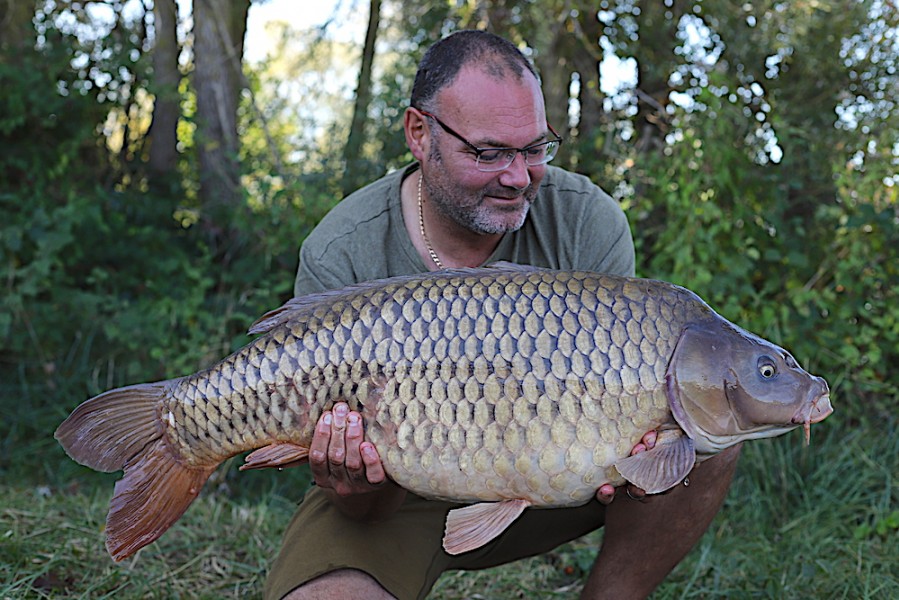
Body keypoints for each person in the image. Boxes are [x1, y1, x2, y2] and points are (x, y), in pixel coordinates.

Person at [264, 30, 741, 600]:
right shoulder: (342, 250)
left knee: (710, 421)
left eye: (535, 149)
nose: (519, 177)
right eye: (489, 153)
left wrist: (639, 457)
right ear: (420, 134)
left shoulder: (586, 222)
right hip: (392, 496)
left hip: (556, 477)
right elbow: (355, 497)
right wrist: (351, 476)